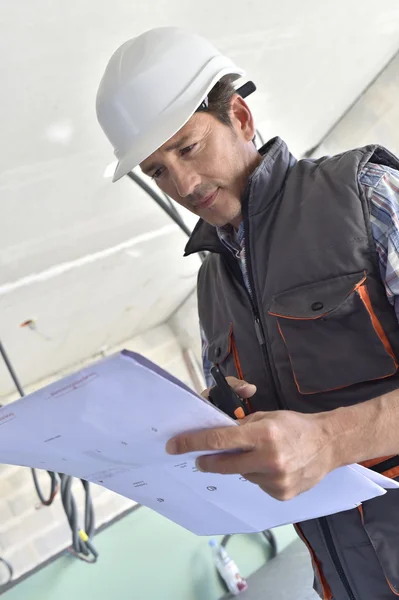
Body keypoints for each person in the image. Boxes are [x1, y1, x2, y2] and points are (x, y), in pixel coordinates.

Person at [96, 27, 399, 599]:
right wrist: (221, 417)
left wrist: (332, 439)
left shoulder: (364, 195)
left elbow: (321, 437)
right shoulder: (211, 285)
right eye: (157, 171)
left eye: (187, 148)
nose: (181, 184)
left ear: (238, 116)